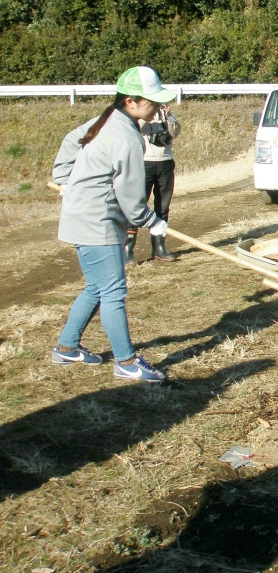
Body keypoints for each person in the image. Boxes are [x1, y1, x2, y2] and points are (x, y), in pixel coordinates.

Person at [50, 66, 177, 383]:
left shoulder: (108, 119)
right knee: (113, 292)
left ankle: (66, 347)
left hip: (85, 215)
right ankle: (127, 361)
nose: (157, 108)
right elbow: (132, 201)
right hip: (97, 221)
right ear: (131, 101)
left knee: (97, 287)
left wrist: (66, 180)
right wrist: (154, 222)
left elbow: (70, 140)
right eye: (151, 102)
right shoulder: (127, 138)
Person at [125, 104, 181, 264]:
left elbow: (175, 132)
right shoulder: (139, 115)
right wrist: (148, 115)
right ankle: (127, 250)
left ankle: (159, 248)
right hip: (144, 162)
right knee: (136, 206)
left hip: (165, 161)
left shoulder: (165, 114)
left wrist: (168, 115)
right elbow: (135, 130)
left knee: (162, 208)